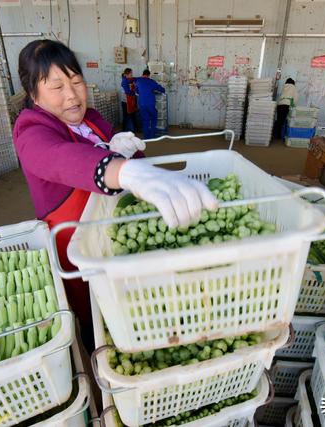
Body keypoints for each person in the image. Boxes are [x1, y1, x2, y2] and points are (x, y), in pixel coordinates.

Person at [13, 40, 218, 346]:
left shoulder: (93, 120)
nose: (71, 95)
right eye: (56, 86)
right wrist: (120, 169)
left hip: (117, 233)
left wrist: (132, 159)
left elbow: (136, 174)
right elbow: (56, 157)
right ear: (34, 94)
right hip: (79, 248)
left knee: (132, 303)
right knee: (95, 315)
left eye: (76, 81)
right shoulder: (31, 129)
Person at [136, 69, 166, 139]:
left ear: (142, 74)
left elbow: (137, 91)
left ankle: (146, 137)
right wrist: (163, 90)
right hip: (150, 104)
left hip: (142, 104)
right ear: (148, 75)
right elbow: (160, 88)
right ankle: (152, 135)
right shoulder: (151, 81)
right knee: (154, 118)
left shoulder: (138, 81)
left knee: (145, 120)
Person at [120, 68, 137, 132]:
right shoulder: (124, 81)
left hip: (129, 101)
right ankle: (124, 130)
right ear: (127, 74)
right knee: (126, 116)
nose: (132, 75)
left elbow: (134, 79)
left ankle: (135, 129)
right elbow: (127, 92)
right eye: (131, 73)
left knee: (133, 115)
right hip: (125, 102)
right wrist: (134, 91)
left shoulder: (128, 80)